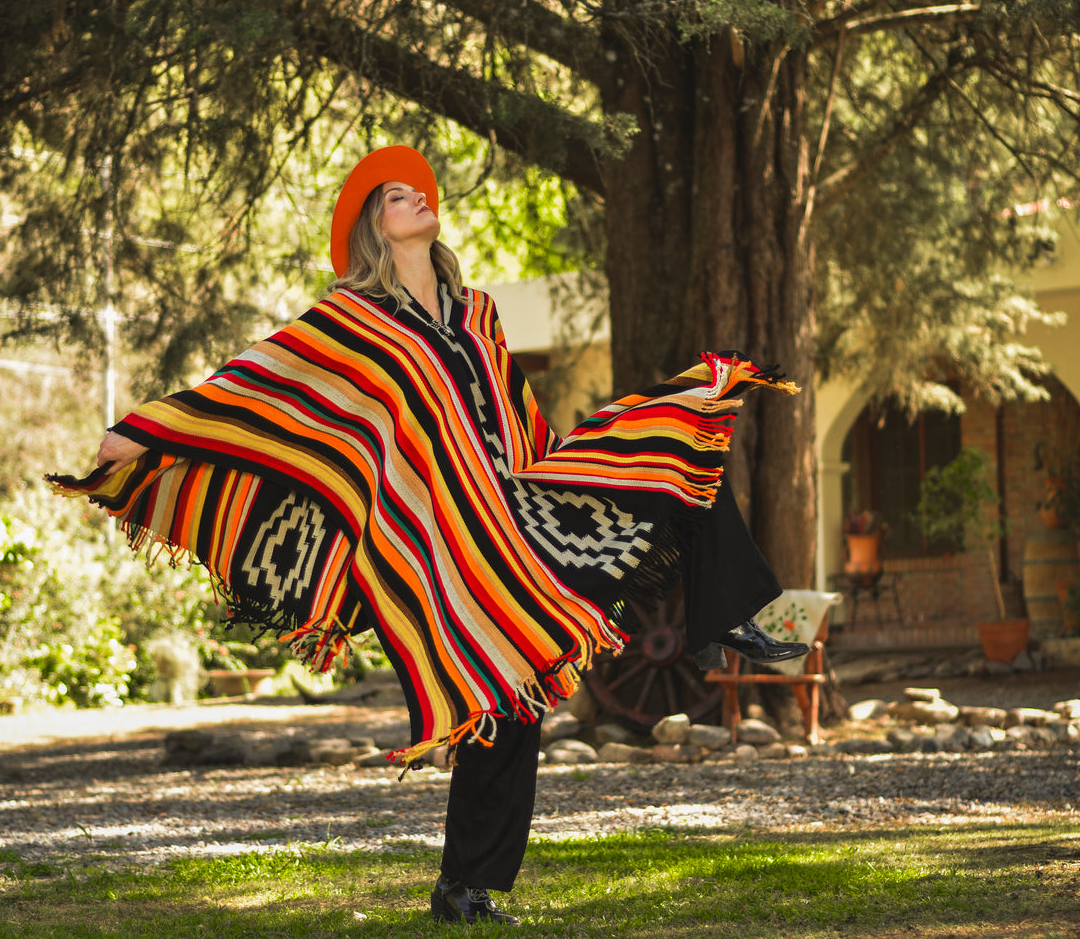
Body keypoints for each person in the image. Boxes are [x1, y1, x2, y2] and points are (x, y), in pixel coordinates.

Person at [50, 145, 808, 925]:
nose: (418, 198)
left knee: (672, 453)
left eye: (421, 192)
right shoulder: (352, 319)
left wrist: (575, 467)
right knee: (503, 698)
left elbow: (516, 414)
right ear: (374, 229)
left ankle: (734, 618)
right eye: (397, 196)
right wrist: (142, 433)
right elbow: (256, 381)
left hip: (515, 503)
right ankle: (465, 887)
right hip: (437, 541)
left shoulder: (476, 309)